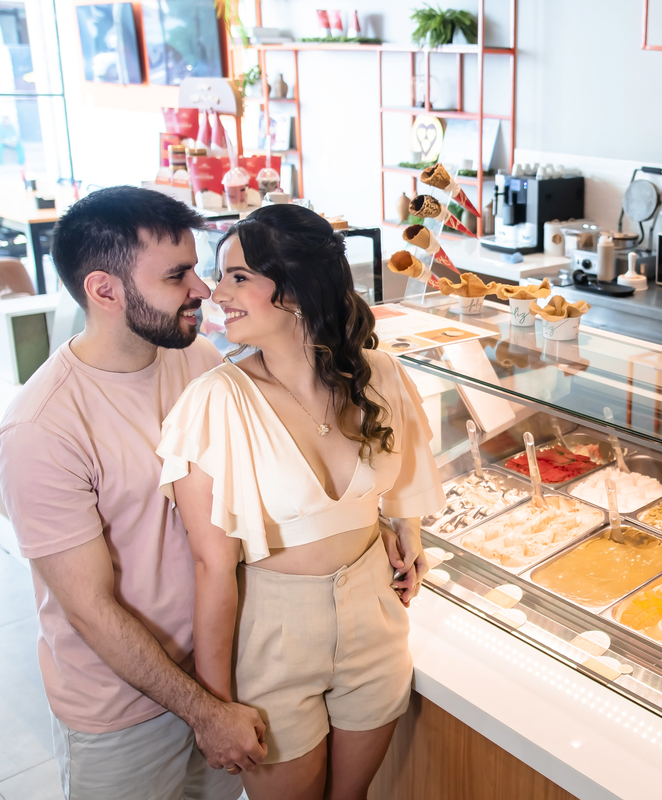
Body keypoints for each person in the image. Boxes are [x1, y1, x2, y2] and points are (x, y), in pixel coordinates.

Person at [158, 204, 444, 800]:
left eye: (238, 276)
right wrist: (213, 708)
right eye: (220, 276)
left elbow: (404, 477)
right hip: (274, 629)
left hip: (375, 612)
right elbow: (212, 567)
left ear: (295, 286)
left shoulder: (380, 374)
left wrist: (407, 533)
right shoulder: (215, 402)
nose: (216, 293)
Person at [0, 186, 266, 800]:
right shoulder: (42, 429)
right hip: (124, 713)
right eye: (178, 275)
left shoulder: (194, 357)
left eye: (197, 267)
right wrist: (203, 712)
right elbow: (92, 611)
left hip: (219, 674)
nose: (203, 289)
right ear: (104, 290)